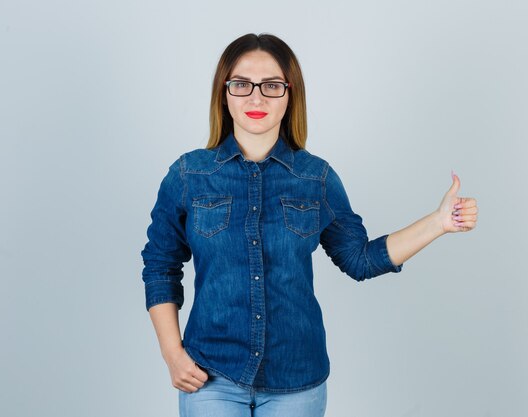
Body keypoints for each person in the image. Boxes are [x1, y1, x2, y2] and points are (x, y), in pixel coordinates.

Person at [140, 32, 478, 417]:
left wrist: (438, 222)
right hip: (209, 375)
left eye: (271, 86)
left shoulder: (316, 179)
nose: (256, 98)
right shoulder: (188, 175)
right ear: (224, 92)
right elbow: (160, 266)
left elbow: (360, 260)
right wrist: (172, 354)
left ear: (290, 94)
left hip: (296, 380)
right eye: (241, 84)